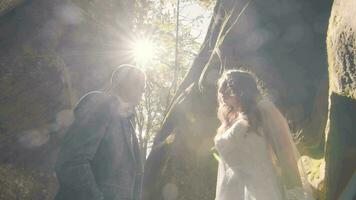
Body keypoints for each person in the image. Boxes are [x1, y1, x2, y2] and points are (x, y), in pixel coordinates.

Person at [214, 69, 313, 200]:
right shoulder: (229, 122)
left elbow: (286, 154)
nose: (221, 91)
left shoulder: (263, 110)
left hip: (263, 191)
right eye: (221, 86)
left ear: (241, 88)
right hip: (232, 192)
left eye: (226, 85)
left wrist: (296, 194)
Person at [55, 64, 146, 200]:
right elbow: (72, 161)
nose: (143, 90)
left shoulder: (129, 126)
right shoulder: (99, 104)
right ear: (121, 82)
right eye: (138, 83)